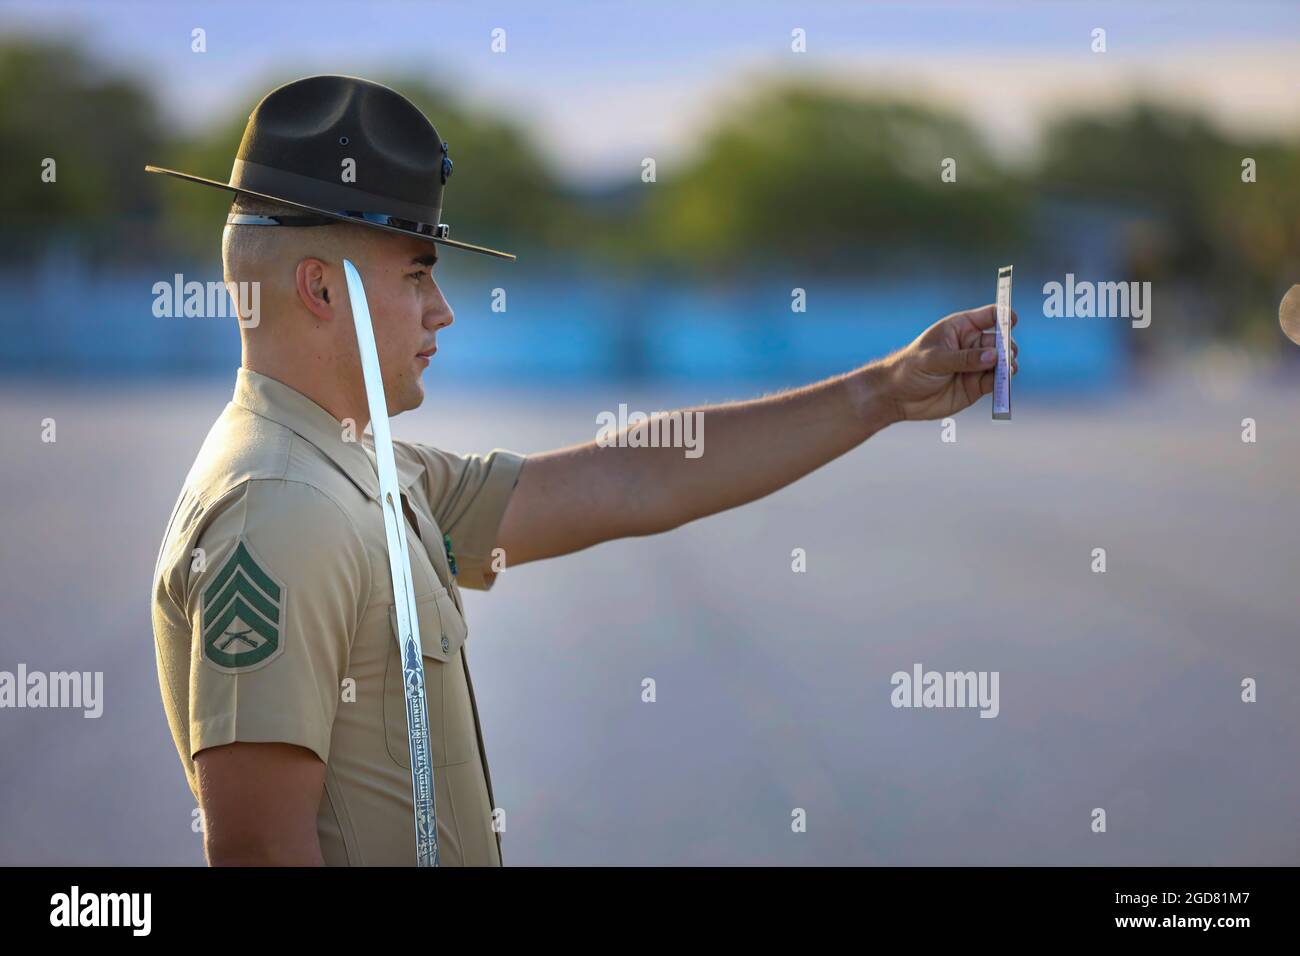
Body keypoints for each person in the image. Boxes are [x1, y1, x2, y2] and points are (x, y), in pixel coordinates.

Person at [148, 74, 1017, 866]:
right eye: (417, 276)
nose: (442, 312)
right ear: (321, 290)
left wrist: (886, 392)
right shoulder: (284, 509)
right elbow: (260, 851)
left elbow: (632, 480)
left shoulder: (350, 471)